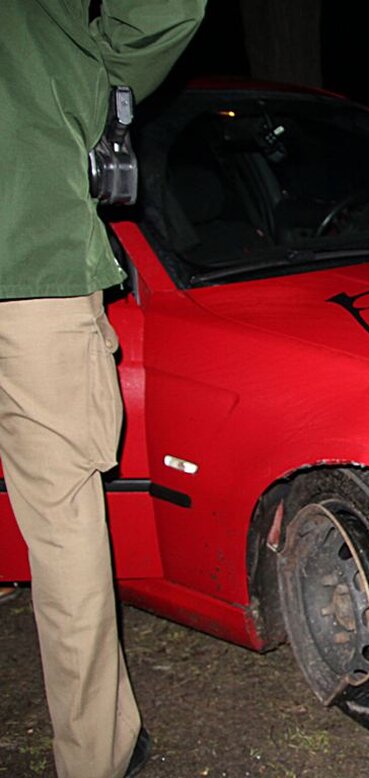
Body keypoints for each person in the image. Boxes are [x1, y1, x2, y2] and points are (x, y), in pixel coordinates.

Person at [0, 2, 205, 776]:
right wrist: (80, 75)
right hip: (28, 256)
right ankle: (95, 758)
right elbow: (164, 9)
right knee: (62, 525)